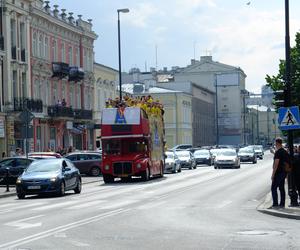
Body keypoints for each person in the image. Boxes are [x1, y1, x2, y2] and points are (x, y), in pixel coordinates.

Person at [271, 137, 289, 208]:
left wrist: (273, 174)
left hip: (278, 172)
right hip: (284, 172)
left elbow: (276, 164)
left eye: (275, 143)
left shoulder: (278, 153)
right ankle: (282, 204)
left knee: (273, 188)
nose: (275, 144)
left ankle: (275, 204)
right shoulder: (285, 152)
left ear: (277, 143)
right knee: (282, 188)